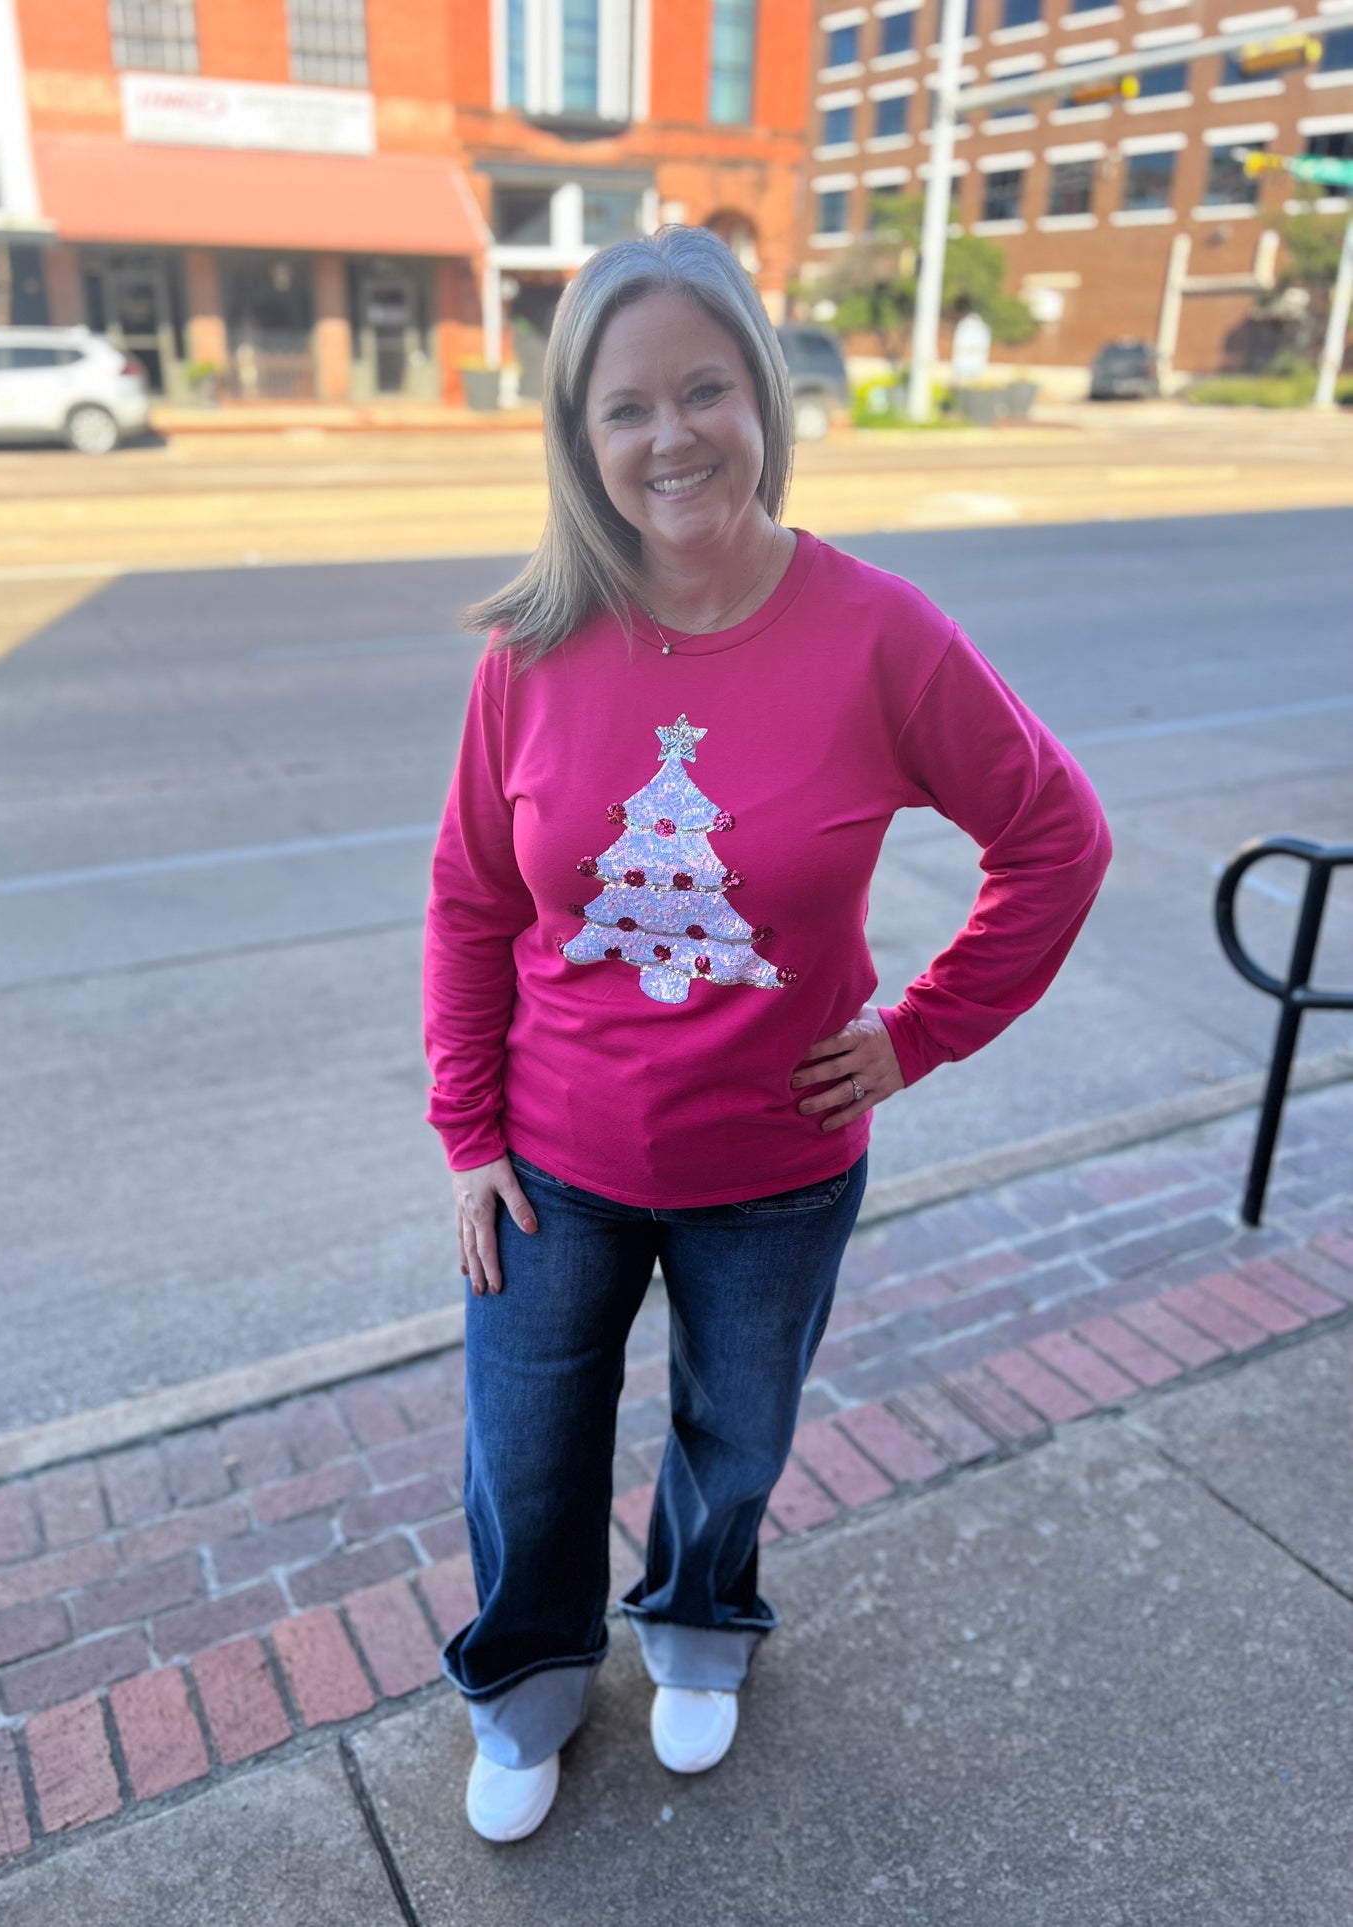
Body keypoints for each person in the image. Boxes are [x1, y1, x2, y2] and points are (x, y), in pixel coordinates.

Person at [423, 225, 1112, 1843]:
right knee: (524, 1455)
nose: (670, 437)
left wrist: (919, 1032)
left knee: (734, 1438)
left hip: (777, 1169)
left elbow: (1056, 842)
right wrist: (465, 1135)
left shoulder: (878, 631)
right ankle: (525, 1685)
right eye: (625, 407)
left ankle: (697, 1625)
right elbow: (469, 905)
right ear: (578, 438)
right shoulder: (528, 646)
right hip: (550, 1165)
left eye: (705, 390)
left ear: (761, 399)